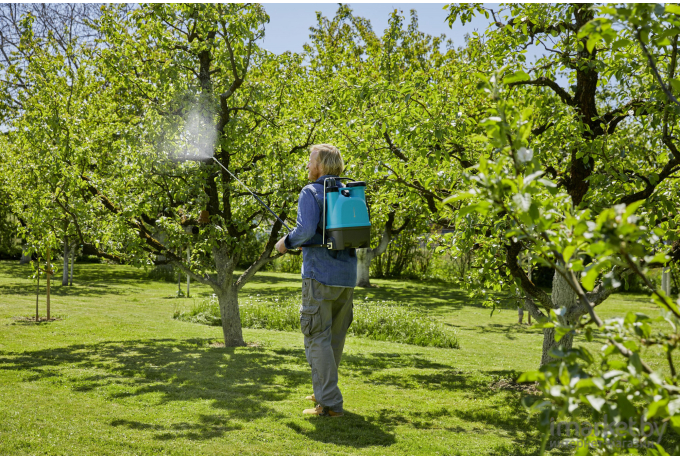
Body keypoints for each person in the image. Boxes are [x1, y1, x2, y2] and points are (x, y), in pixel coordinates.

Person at [275, 144, 357, 418]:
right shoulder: (347, 192)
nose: (307, 167)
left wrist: (285, 243)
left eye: (310, 162)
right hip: (346, 277)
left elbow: (306, 229)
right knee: (333, 338)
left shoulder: (310, 192)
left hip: (319, 275)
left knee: (316, 337)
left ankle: (330, 404)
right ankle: (322, 391)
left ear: (321, 165)